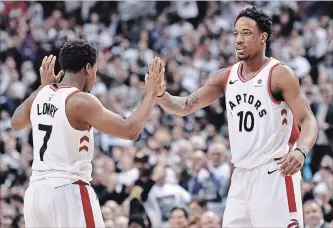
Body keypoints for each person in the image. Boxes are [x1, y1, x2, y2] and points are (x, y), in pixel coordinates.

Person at [154, 7, 318, 227]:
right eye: (236, 33)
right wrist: (160, 94)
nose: (239, 40)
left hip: (274, 173)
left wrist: (301, 150)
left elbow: (308, 120)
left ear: (263, 37)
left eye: (246, 33)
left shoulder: (279, 74)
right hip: (240, 176)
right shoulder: (225, 76)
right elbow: (185, 106)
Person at [10, 39, 165, 228]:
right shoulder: (80, 101)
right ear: (89, 68)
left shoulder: (41, 94)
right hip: (67, 190)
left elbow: (16, 121)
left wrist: (43, 87)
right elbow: (130, 130)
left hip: (35, 194)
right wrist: (151, 94)